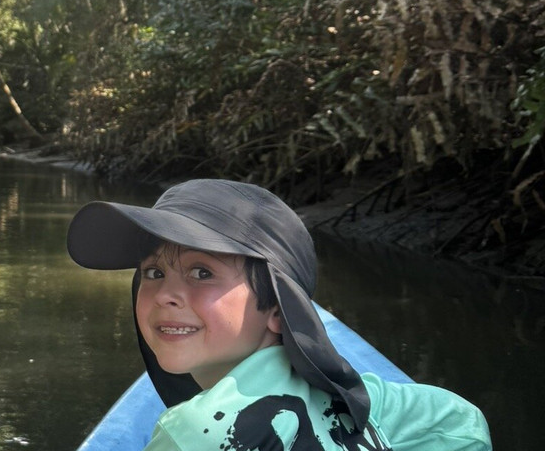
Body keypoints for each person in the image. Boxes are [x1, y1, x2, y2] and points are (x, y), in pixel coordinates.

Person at [66, 178, 492, 450]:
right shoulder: (351, 393)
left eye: (202, 272)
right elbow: (461, 419)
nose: (165, 295)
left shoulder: (193, 434)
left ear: (276, 308)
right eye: (154, 272)